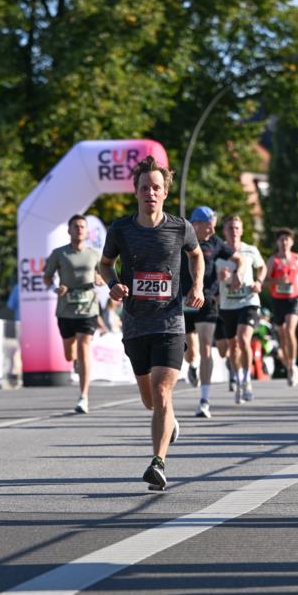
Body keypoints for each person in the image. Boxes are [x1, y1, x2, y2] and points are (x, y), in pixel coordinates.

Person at [99, 155, 204, 490]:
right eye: (145, 188)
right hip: (135, 324)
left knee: (161, 391)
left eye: (156, 188)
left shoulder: (180, 227)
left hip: (170, 322)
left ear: (165, 192)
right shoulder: (121, 229)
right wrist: (113, 283)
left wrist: (197, 284)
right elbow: (104, 264)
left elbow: (196, 254)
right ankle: (168, 422)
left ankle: (158, 463)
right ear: (136, 192)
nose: (150, 193)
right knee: (151, 401)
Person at [181, 206, 244, 418]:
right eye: (208, 227)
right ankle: (192, 365)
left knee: (206, 347)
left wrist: (237, 273)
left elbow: (239, 259)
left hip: (206, 299)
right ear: (196, 224)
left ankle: (204, 400)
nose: (211, 231)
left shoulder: (216, 243)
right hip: (182, 300)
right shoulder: (182, 238)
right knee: (191, 351)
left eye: (213, 227)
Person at [44, 214, 102, 414]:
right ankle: (75, 359)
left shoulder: (95, 254)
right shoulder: (59, 254)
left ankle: (83, 396)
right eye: (75, 226)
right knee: (69, 355)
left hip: (89, 309)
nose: (79, 229)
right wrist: (54, 288)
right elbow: (47, 277)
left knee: (85, 346)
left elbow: (104, 273)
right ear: (69, 231)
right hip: (66, 310)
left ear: (87, 231)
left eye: (82, 226)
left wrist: (100, 278)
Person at [216, 214, 267, 405]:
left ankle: (246, 380)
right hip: (227, 304)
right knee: (232, 347)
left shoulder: (250, 250)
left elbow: (262, 267)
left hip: (249, 300)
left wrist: (259, 282)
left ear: (242, 230)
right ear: (224, 232)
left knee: (243, 339)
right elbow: (207, 277)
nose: (234, 231)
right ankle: (237, 378)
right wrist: (219, 277)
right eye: (230, 228)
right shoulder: (219, 252)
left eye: (237, 228)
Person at [265, 228, 298, 386]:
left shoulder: (297, 258)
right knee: (283, 336)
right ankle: (292, 367)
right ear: (277, 242)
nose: (284, 242)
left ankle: (292, 365)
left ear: (291, 242)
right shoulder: (272, 261)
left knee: (290, 330)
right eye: (281, 240)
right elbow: (264, 282)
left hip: (294, 299)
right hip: (278, 301)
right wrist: (277, 282)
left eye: (287, 239)